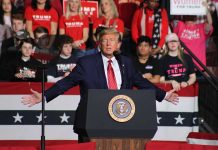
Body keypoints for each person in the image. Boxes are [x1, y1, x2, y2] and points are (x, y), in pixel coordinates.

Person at [21, 28, 179, 142]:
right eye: (105, 40)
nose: (109, 44)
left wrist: (164, 95)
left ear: (118, 44)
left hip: (122, 123)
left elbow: (141, 82)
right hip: (92, 121)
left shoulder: (126, 63)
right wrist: (44, 96)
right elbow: (66, 82)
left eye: (112, 40)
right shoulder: (86, 63)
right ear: (99, 43)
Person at [173, 1, 213, 68]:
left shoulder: (201, 27)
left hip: (199, 67)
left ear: (196, 16)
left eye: (192, 12)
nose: (190, 13)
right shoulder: (180, 25)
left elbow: (209, 23)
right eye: (188, 12)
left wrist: (206, 10)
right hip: (183, 65)